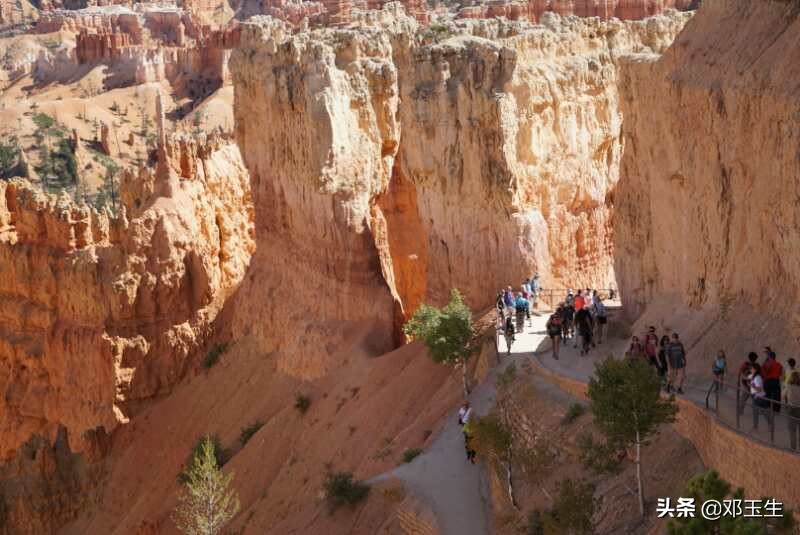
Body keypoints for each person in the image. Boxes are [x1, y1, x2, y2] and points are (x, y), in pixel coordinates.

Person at [749, 364, 772, 432]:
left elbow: (759, 389)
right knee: (763, 412)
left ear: (755, 370)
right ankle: (770, 425)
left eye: (752, 368)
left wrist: (751, 386)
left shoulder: (757, 378)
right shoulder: (755, 377)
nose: (751, 370)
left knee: (756, 412)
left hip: (758, 396)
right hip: (760, 396)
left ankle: (755, 427)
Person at [761, 347, 783, 413]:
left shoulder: (766, 364)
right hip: (776, 381)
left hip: (768, 381)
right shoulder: (779, 365)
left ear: (770, 357)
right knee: (777, 396)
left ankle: (767, 408)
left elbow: (763, 373)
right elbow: (780, 373)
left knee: (767, 395)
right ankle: (776, 410)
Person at [786, 371, 800, 451]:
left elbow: (782, 396)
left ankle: (793, 448)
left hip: (791, 409)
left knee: (792, 430)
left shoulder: (788, 386)